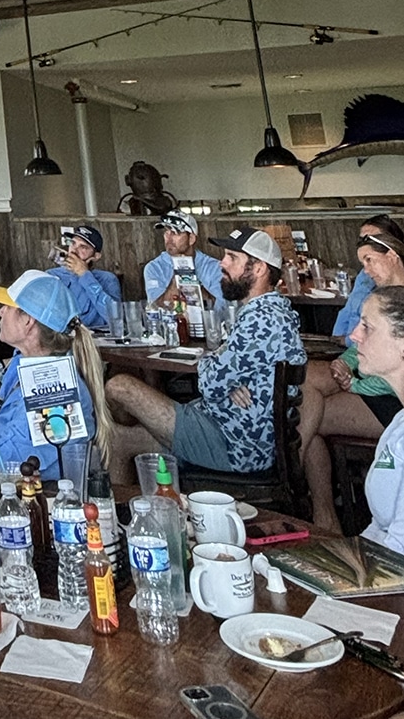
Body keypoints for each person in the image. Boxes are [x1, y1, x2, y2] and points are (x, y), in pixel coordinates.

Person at [105, 227, 305, 480]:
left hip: (234, 444)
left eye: (232, 257)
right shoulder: (274, 311)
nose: (222, 262)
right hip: (233, 430)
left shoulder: (260, 320)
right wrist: (227, 376)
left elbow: (209, 384)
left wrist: (218, 366)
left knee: (119, 387)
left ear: (259, 269)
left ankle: (139, 503)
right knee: (122, 435)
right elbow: (221, 377)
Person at [0, 270, 113, 476]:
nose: (0, 312)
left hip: (35, 502)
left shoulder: (52, 397)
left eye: (7, 306)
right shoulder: (28, 361)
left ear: (28, 321)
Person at [299, 221, 404, 531]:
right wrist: (345, 363)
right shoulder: (378, 291)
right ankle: (324, 512)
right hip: (370, 386)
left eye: (369, 260)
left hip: (389, 399)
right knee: (307, 393)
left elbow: (394, 370)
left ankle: (294, 481)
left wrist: (355, 382)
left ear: (393, 255)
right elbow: (361, 339)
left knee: (307, 416)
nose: (366, 270)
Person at [348, 286, 404, 555]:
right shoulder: (399, 423)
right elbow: (379, 530)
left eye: (367, 327)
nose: (354, 335)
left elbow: (400, 550)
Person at [142, 209, 224, 309]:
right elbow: (158, 309)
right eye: (166, 232)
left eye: (175, 233)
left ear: (191, 239)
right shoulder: (154, 267)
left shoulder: (215, 267)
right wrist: (178, 277)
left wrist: (191, 282)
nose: (169, 238)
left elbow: (221, 309)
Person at [48, 224, 122, 330]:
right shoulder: (52, 276)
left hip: (95, 341)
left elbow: (116, 319)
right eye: (73, 243)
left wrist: (84, 275)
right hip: (60, 339)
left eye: (83, 247)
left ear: (96, 256)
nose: (74, 250)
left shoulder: (107, 279)